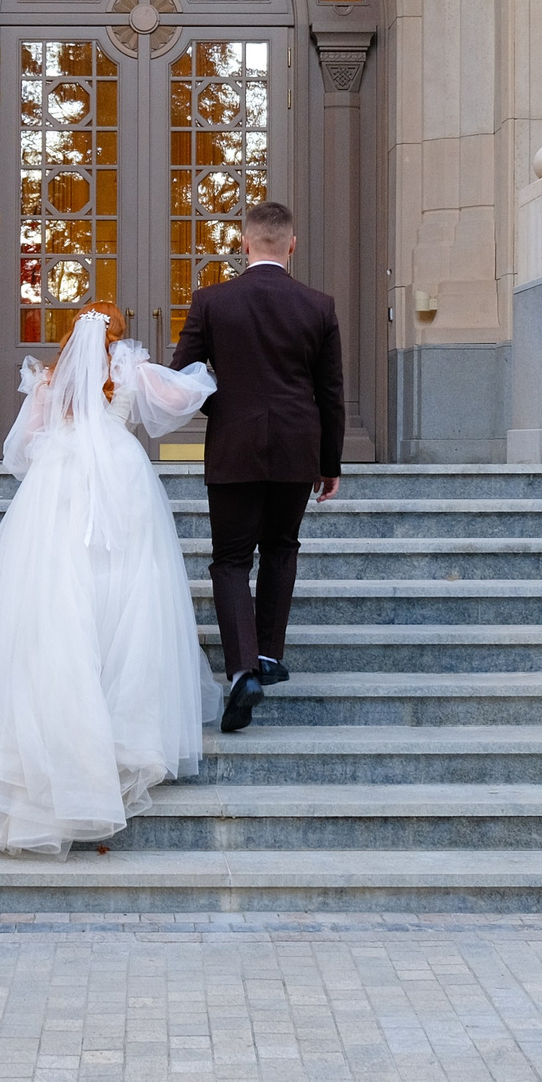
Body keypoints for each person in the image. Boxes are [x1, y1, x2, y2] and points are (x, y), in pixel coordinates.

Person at [0, 302, 219, 855]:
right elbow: (183, 398)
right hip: (121, 480)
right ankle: (121, 722)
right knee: (127, 591)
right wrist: (208, 370)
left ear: (74, 333)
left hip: (61, 483)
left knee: (54, 590)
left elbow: (22, 450)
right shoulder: (129, 368)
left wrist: (58, 445)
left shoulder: (51, 379)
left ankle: (56, 728)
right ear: (118, 335)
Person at [168, 202, 345, 733]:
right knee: (282, 548)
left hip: (234, 446)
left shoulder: (211, 301)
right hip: (297, 446)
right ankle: (268, 654)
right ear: (292, 245)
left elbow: (182, 376)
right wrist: (329, 462)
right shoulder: (319, 305)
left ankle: (243, 669)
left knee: (230, 560)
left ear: (244, 243)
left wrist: (225, 409)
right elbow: (331, 393)